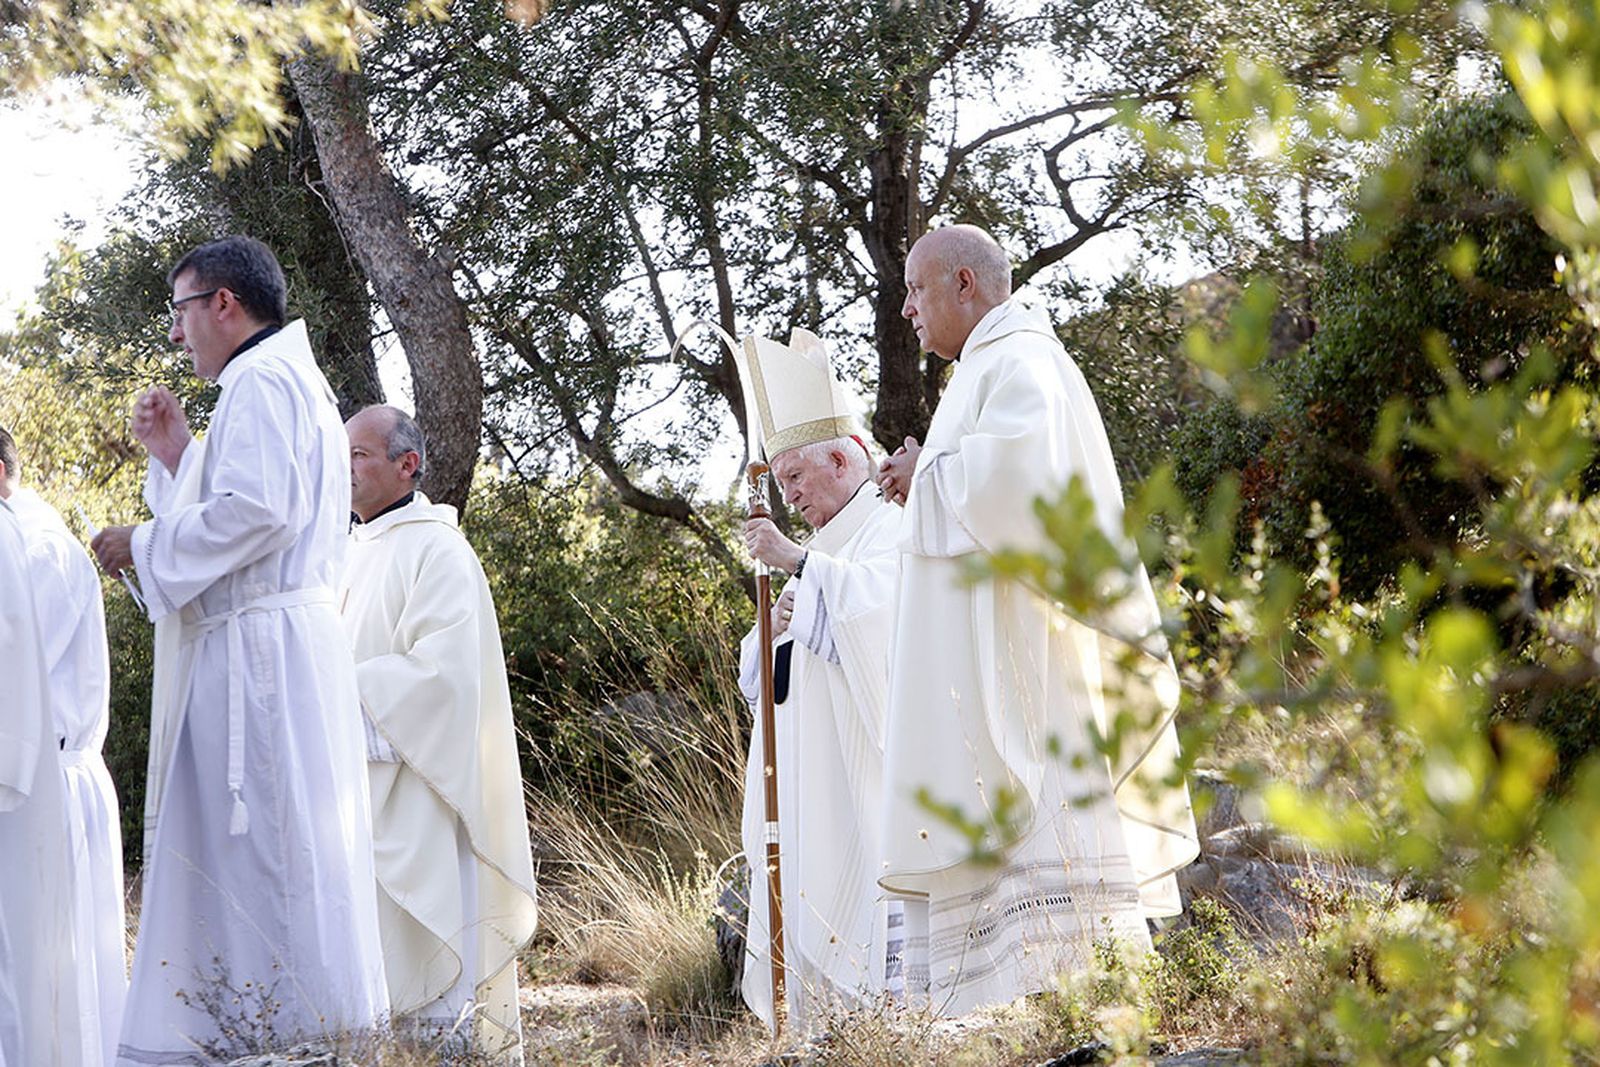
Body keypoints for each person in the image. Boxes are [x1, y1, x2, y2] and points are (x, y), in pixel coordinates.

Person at [874, 224, 1199, 1016]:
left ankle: (1079, 1012)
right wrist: (932, 471)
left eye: (917, 290)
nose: (908, 310)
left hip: (1025, 672)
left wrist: (931, 472)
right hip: (985, 665)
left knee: (1061, 940)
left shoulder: (1022, 358)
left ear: (963, 284)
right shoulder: (983, 368)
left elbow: (1026, 483)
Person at [90, 235, 387, 1062]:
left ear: (225, 303)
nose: (177, 335)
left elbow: (257, 512)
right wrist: (179, 456)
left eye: (181, 311)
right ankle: (284, 1031)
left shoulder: (261, 380)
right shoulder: (286, 379)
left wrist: (145, 544)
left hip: (261, 657)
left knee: (266, 849)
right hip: (281, 642)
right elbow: (253, 504)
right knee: (273, 846)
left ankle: (275, 1038)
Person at [336, 405, 538, 1061]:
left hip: (422, 804)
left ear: (408, 464)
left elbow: (445, 683)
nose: (345, 467)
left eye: (359, 454)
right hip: (356, 801)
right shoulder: (346, 550)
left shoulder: (439, 550)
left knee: (428, 1006)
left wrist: (335, 688)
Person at [733, 330, 902, 1031]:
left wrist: (801, 564)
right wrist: (767, 633)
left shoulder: (891, 528)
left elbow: (889, 622)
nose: (791, 494)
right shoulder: (826, 548)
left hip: (858, 779)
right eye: (782, 483)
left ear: (842, 456)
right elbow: (763, 677)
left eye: (797, 478)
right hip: (805, 778)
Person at [0, 426, 124, 1066]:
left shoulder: (36, 549)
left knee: (47, 979)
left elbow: (19, 674)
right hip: (28, 773)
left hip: (46, 779)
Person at [0, 494, 84, 1067]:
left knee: (25, 964)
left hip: (32, 766)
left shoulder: (38, 544)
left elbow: (20, 655)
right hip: (27, 759)